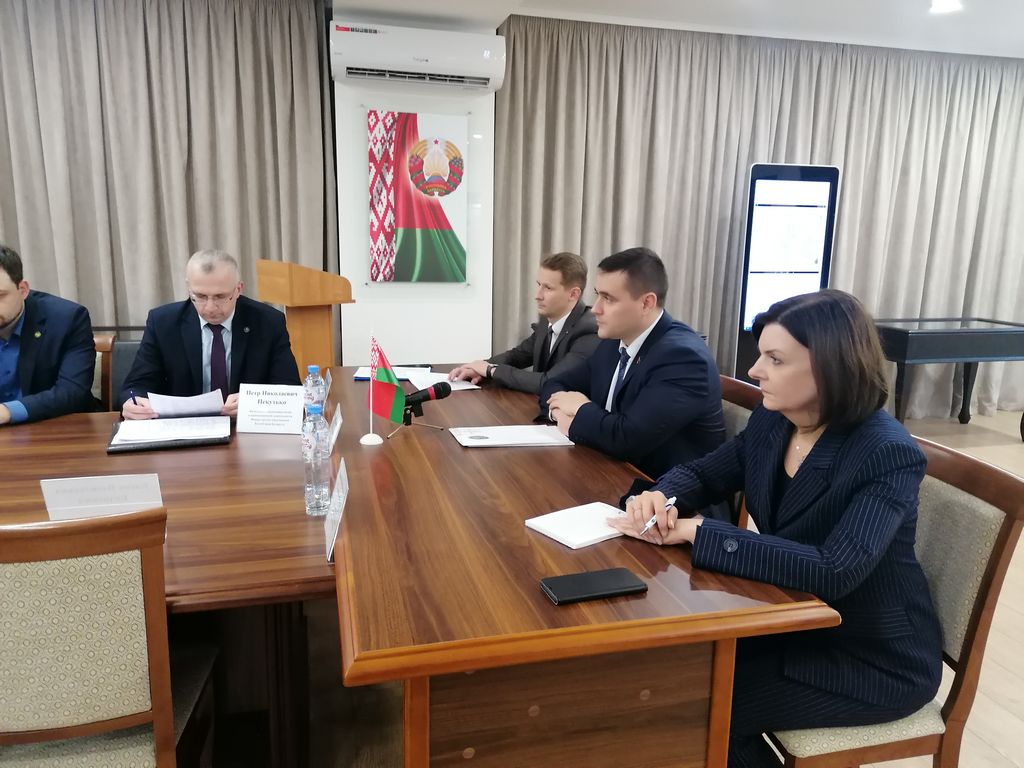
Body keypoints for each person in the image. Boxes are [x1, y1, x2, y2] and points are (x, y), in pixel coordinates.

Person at [610, 289, 942, 767]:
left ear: (831, 366)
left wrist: (700, 532)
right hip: (792, 618)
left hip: (870, 655)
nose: (754, 370)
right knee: (672, 673)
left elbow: (834, 570)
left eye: (775, 359)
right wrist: (663, 496)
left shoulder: (886, 452)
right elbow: (705, 474)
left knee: (702, 707)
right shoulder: (774, 420)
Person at [539, 247, 725, 480]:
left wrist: (580, 410)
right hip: (607, 470)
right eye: (597, 295)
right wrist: (559, 414)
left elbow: (627, 439)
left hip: (662, 491)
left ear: (646, 303)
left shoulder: (683, 358)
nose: (595, 308)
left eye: (608, 298)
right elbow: (555, 383)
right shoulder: (614, 341)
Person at [121, 250, 300, 419]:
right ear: (189, 289)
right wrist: (132, 403)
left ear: (238, 289)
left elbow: (289, 389)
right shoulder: (163, 323)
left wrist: (252, 402)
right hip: (183, 429)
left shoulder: (268, 322)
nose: (210, 307)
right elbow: (136, 386)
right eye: (200, 296)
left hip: (243, 427)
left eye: (220, 297)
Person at [448, 252, 599, 394]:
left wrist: (490, 370)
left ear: (573, 294)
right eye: (538, 284)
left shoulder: (589, 331)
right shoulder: (548, 320)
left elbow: (550, 382)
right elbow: (517, 356)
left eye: (548, 288)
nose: (537, 295)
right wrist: (476, 368)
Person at [0, 244, 96, 425]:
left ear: (23, 290)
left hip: (54, 427)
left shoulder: (67, 318)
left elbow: (72, 392)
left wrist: (7, 411)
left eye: (0, 295)